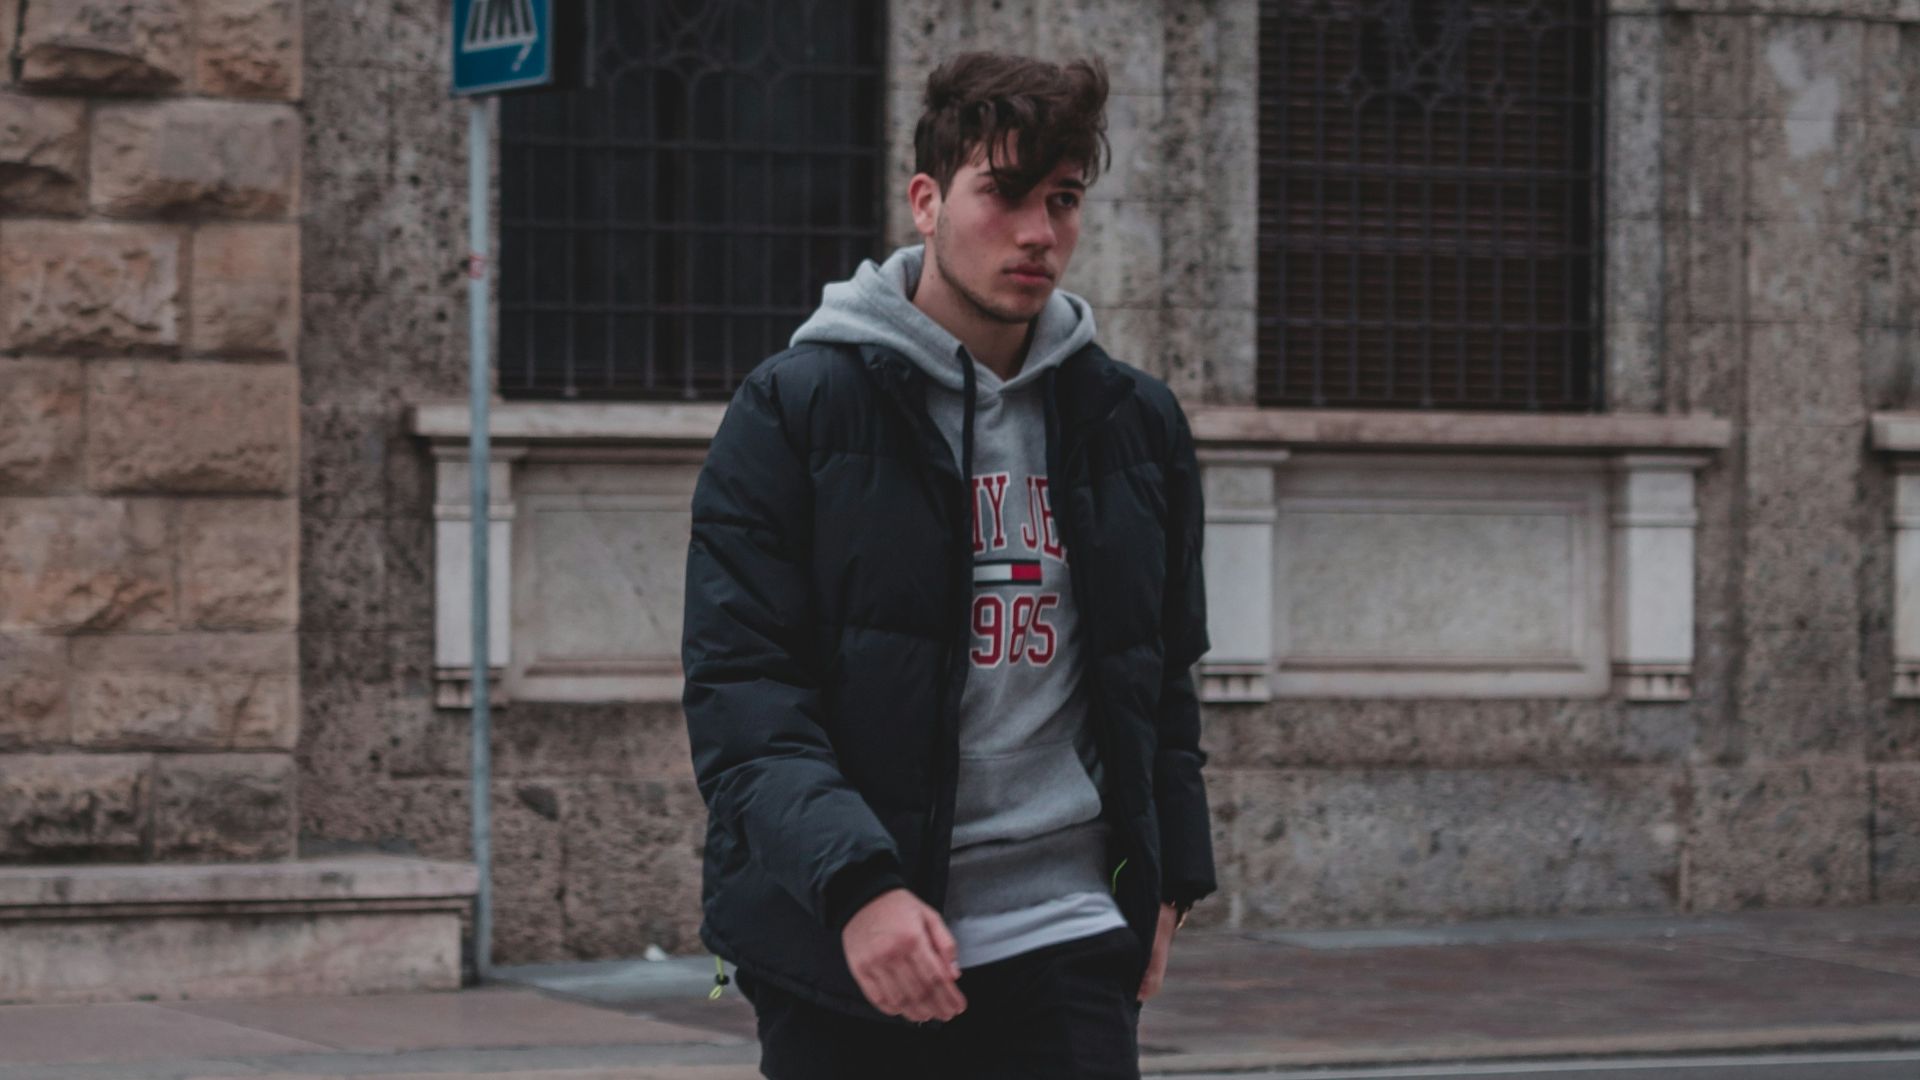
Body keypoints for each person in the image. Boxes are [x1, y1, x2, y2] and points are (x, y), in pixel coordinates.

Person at [680, 50, 1214, 1080]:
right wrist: (860, 890)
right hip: (854, 942)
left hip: (1066, 932)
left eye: (1062, 201)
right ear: (926, 201)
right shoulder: (794, 410)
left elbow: (1162, 674)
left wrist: (1168, 882)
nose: (1037, 233)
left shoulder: (1131, 423)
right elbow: (745, 695)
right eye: (1004, 194)